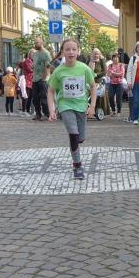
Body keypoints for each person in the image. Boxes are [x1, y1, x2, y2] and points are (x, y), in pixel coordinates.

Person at [47, 38, 97, 180]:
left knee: (80, 138)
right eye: (67, 49)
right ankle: (77, 165)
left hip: (81, 106)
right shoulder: (58, 71)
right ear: (62, 52)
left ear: (78, 51)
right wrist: (52, 110)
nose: (71, 52)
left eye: (74, 49)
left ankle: (77, 144)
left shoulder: (84, 69)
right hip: (65, 106)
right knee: (73, 134)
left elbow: (93, 86)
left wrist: (92, 106)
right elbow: (50, 91)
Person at [31, 38, 52, 120]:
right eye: (34, 43)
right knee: (35, 98)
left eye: (37, 43)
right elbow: (35, 64)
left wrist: (45, 76)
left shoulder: (46, 53)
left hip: (43, 79)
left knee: (44, 97)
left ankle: (47, 114)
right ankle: (38, 114)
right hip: (35, 78)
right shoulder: (35, 54)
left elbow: (48, 65)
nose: (35, 44)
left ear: (42, 43)